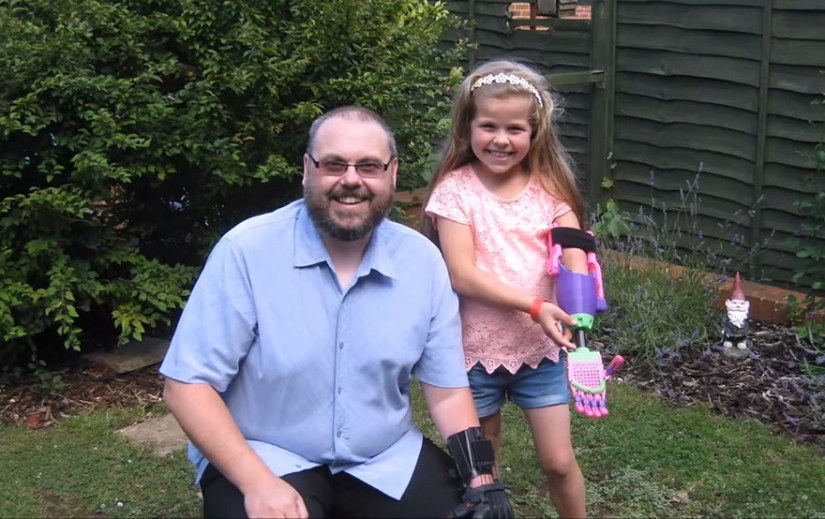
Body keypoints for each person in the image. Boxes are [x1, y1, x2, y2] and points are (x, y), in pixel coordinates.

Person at [159, 106, 514, 519]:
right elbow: (187, 386)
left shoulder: (423, 263)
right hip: (266, 455)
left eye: (369, 166)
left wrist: (482, 477)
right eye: (333, 165)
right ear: (307, 170)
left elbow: (449, 391)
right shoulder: (246, 252)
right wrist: (255, 482)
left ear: (392, 173)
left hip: (383, 459)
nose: (351, 180)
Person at [422, 60, 590, 518]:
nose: (500, 139)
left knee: (558, 463)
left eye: (515, 128)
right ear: (467, 126)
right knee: (484, 471)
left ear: (535, 133)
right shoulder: (455, 192)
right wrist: (536, 305)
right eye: (488, 126)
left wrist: (580, 294)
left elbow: (573, 248)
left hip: (542, 351)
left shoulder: (551, 189)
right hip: (474, 354)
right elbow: (462, 273)